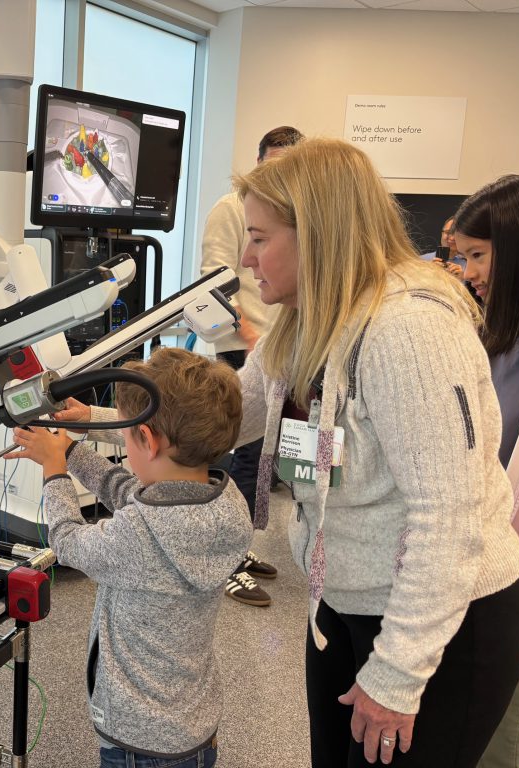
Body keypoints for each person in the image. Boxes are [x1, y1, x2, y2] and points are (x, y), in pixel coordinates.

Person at [56, 139, 519, 767]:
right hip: (344, 596)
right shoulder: (305, 319)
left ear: (319, 234)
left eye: (259, 238)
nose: (247, 259)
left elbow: (449, 521)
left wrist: (394, 676)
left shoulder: (409, 333)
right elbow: (223, 417)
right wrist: (88, 421)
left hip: (442, 619)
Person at [8, 347, 252, 768]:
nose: (122, 437)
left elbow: (67, 541)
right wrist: (68, 452)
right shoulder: (225, 501)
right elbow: (130, 493)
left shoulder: (140, 534)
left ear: (149, 441)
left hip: (140, 743)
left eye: (125, 433)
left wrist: (54, 473)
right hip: (191, 727)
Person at [451, 175, 519, 768]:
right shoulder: (494, 337)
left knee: (504, 743)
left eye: (477, 255)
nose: (467, 272)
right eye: (461, 256)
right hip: (475, 573)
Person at [200, 125, 304, 607]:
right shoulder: (231, 209)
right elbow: (214, 278)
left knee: (264, 458)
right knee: (241, 450)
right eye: (273, 164)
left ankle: (236, 549)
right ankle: (224, 558)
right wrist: (246, 335)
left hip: (280, 341)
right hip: (245, 342)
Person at [420, 216, 467, 280]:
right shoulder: (421, 260)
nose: (452, 238)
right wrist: (427, 273)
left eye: (457, 234)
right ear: (442, 233)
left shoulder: (468, 265)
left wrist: (463, 279)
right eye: (448, 232)